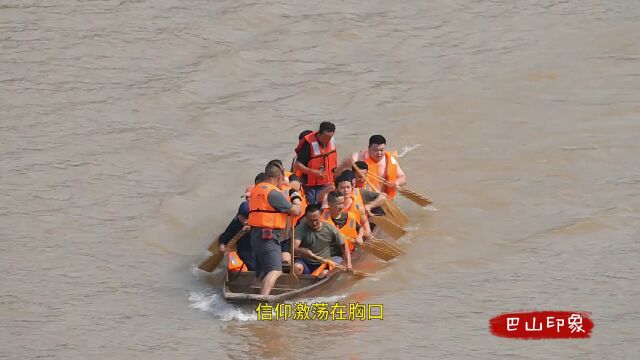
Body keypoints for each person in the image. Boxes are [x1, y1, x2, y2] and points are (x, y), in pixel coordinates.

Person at [248, 162, 302, 295]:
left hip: (255, 235)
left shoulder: (256, 190)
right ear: (278, 178)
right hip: (269, 236)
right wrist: (296, 199)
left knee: (261, 272)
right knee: (275, 270)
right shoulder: (273, 193)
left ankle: (253, 297)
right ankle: (262, 301)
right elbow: (295, 211)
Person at [292, 205, 351, 277]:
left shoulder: (330, 228)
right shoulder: (300, 228)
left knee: (324, 274)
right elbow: (294, 247)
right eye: (311, 220)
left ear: (321, 217)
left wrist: (348, 264)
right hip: (306, 262)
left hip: (323, 263)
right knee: (296, 267)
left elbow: (343, 246)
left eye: (316, 220)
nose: (314, 223)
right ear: (306, 218)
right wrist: (302, 251)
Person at [293, 122, 338, 205]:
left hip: (329, 183)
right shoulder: (308, 144)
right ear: (319, 133)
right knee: (315, 207)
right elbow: (297, 165)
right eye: (325, 137)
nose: (327, 140)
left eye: (330, 137)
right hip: (312, 187)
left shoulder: (331, 141)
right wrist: (313, 172)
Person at [351, 135, 407, 199]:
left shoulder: (390, 160)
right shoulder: (358, 157)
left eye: (382, 150)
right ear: (368, 148)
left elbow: (403, 178)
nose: (379, 153)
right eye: (376, 150)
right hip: (364, 196)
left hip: (384, 199)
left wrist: (397, 182)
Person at [217, 201, 255, 271]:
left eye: (248, 218)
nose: (245, 221)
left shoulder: (260, 222)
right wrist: (221, 244)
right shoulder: (236, 223)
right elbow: (224, 236)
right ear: (239, 215)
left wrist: (252, 228)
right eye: (243, 218)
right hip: (244, 251)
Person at [334, 172, 372, 239]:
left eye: (348, 187)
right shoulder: (331, 207)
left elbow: (365, 221)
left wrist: (368, 235)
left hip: (353, 244)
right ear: (336, 189)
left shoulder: (358, 207)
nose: (346, 190)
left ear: (352, 187)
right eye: (342, 188)